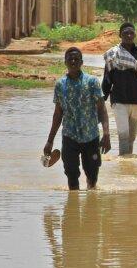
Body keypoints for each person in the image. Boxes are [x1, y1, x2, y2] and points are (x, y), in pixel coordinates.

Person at [44, 47, 112, 190]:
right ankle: (72, 207)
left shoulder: (92, 81)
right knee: (71, 176)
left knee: (92, 178)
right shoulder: (60, 85)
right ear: (65, 62)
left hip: (91, 136)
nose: (73, 61)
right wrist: (49, 141)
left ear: (81, 62)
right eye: (70, 59)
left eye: (76, 59)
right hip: (70, 137)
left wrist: (106, 134)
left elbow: (102, 109)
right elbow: (58, 114)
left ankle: (90, 208)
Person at [102, 22, 137, 155]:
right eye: (125, 33)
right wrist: (101, 100)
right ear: (120, 35)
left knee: (131, 137)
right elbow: (107, 79)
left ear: (135, 34)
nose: (129, 35)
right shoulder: (113, 54)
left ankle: (127, 167)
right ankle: (125, 165)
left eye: (131, 33)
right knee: (123, 135)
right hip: (119, 100)